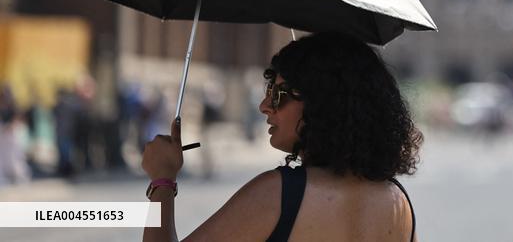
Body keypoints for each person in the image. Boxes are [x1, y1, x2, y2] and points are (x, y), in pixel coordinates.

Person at [141, 32, 421, 241]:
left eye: (278, 94)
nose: (265, 106)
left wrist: (163, 180)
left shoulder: (279, 194)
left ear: (322, 103)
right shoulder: (399, 203)